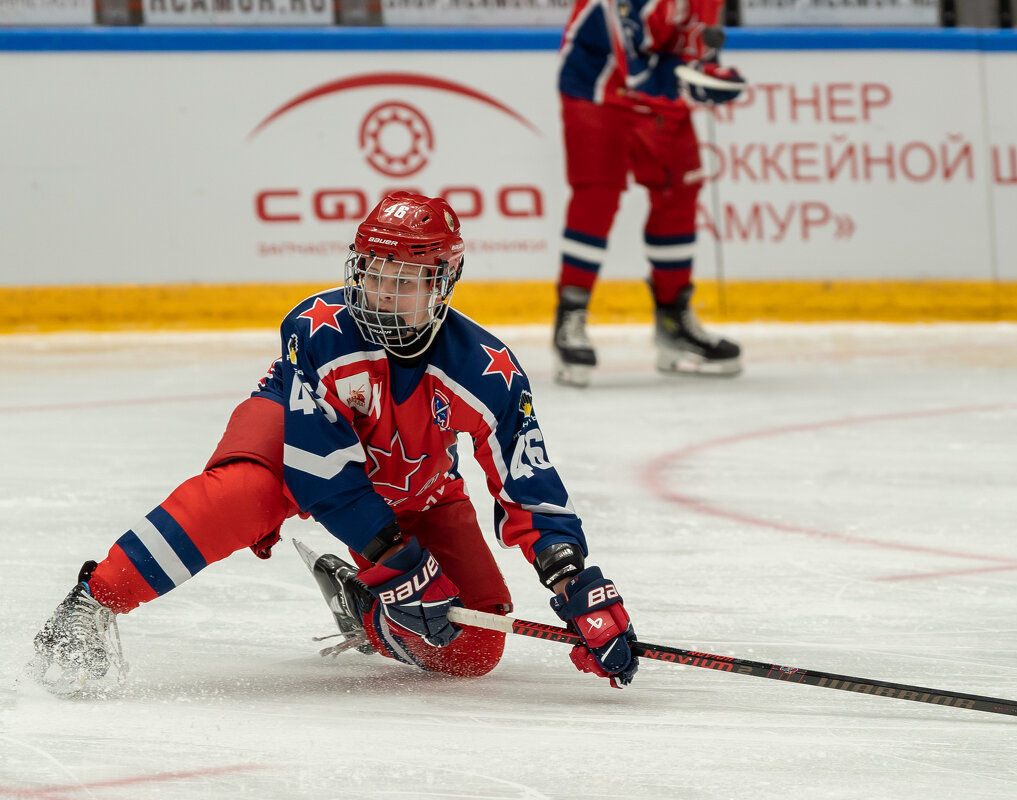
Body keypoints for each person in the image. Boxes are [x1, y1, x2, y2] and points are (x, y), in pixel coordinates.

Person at [28, 191, 638, 695]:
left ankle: (363, 608)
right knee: (244, 496)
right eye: (374, 273)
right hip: (292, 441)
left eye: (404, 280)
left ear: (444, 282)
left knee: (476, 645)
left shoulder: (488, 372)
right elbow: (321, 468)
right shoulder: (317, 330)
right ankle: (94, 597)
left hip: (413, 476)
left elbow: (527, 485)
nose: (381, 293)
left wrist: (575, 585)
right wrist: (397, 562)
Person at [553, 0, 747, 386]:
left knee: (679, 194)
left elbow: (694, 46)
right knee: (597, 198)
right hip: (597, 87)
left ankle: (673, 322)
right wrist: (691, 81)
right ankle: (570, 317)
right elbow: (636, 70)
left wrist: (711, 74)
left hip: (660, 94)